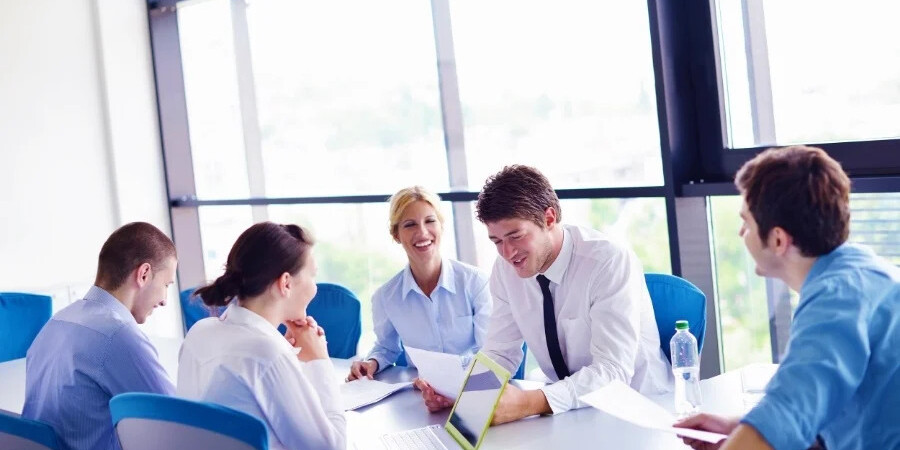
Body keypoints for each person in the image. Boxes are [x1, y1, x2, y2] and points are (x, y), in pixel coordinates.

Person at [675, 145, 900, 450]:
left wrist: (755, 438)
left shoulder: (835, 301)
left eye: (747, 223)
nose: (742, 233)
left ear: (778, 239)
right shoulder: (864, 272)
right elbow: (828, 407)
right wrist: (742, 428)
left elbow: (787, 412)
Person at [416, 165, 671, 424]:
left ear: (549, 219)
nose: (507, 253)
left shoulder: (608, 261)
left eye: (515, 236)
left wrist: (529, 402)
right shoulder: (506, 270)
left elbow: (612, 371)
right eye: (497, 241)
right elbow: (501, 352)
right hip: (570, 411)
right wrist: (469, 395)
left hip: (639, 410)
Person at [177, 222, 345, 450]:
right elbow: (331, 447)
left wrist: (289, 359)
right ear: (285, 283)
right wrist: (319, 361)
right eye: (312, 276)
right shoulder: (266, 354)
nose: (314, 287)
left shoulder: (200, 332)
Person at [23, 222, 177, 450]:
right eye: (166, 284)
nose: (164, 299)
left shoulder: (57, 322)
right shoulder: (117, 335)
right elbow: (177, 425)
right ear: (144, 274)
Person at [348, 186, 492, 381]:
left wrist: (455, 387)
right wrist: (371, 363)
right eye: (410, 224)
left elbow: (489, 353)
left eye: (430, 221)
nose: (422, 233)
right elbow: (386, 347)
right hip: (421, 395)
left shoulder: (475, 282)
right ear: (396, 234)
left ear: (441, 226)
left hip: (471, 388)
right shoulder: (385, 297)